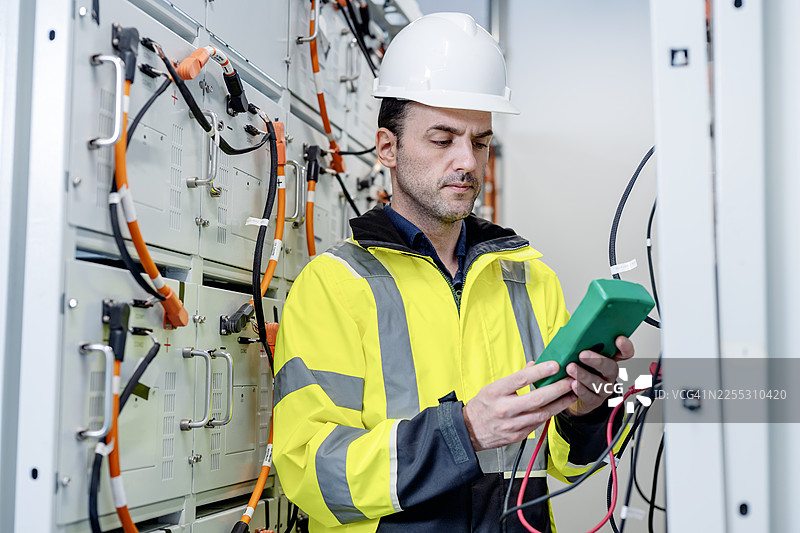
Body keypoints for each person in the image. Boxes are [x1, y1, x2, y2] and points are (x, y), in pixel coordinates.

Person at [272, 12, 634, 533]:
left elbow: (569, 462)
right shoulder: (334, 285)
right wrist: (464, 431)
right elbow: (313, 472)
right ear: (387, 148)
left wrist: (589, 412)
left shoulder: (530, 280)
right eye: (443, 139)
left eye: (480, 142)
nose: (467, 160)